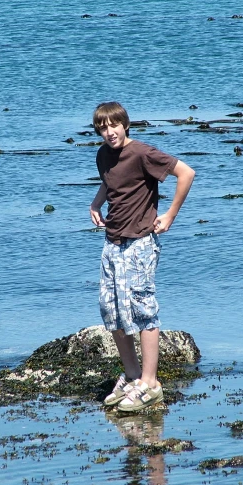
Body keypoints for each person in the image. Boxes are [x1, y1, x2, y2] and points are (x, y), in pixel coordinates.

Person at [89, 102, 195, 412]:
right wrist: (96, 203)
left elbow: (185, 173)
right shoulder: (103, 155)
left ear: (125, 124)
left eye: (114, 125)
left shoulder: (142, 153)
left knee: (143, 310)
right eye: (103, 128)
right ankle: (133, 377)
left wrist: (170, 215)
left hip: (140, 244)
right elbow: (112, 183)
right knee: (112, 311)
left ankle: (151, 384)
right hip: (112, 243)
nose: (110, 132)